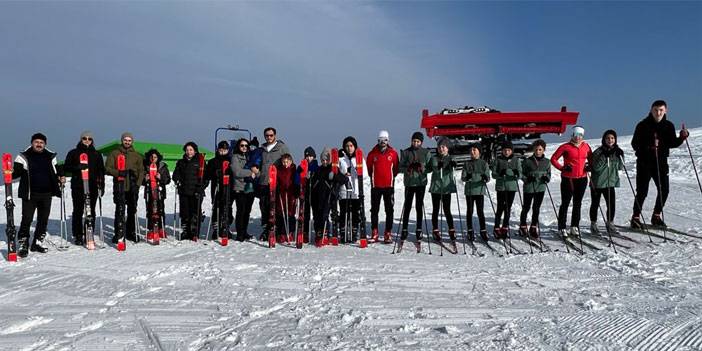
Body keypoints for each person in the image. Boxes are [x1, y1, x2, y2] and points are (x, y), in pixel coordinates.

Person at [630, 100, 689, 228]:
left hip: (661, 162)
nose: (658, 112)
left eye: (661, 110)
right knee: (642, 191)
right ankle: (635, 217)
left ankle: (656, 216)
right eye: (656, 110)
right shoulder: (642, 125)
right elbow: (634, 144)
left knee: (664, 190)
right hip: (644, 163)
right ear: (651, 110)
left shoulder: (669, 125)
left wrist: (682, 137)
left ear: (665, 110)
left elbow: (672, 143)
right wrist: (648, 147)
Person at [11, 133, 65, 257]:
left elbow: (58, 168)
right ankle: (23, 243)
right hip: (30, 194)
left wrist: (61, 176)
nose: (39, 144)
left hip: (46, 194)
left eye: (41, 142)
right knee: (27, 219)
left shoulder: (50, 155)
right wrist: (10, 173)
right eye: (36, 142)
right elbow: (17, 172)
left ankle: (37, 242)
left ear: (45, 144)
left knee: (43, 220)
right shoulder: (23, 156)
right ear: (32, 143)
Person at [63, 131, 105, 246]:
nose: (87, 140)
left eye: (89, 138)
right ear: (81, 139)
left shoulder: (96, 154)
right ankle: (77, 235)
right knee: (78, 210)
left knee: (90, 210)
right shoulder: (73, 152)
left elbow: (101, 171)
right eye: (84, 138)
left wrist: (102, 185)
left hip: (92, 186)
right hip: (78, 186)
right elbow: (66, 167)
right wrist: (77, 167)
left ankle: (88, 232)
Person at [550, 126, 592, 238]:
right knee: (565, 203)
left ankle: (574, 226)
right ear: (572, 135)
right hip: (568, 179)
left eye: (581, 135)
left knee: (578, 203)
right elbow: (553, 159)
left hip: (582, 179)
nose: (578, 138)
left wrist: (589, 166)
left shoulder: (586, 146)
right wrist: (562, 168)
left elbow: (591, 159)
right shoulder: (565, 147)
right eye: (576, 135)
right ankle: (562, 227)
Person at [105, 132, 144, 243]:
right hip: (119, 186)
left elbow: (141, 170)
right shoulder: (114, 153)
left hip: (132, 186)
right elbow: (107, 168)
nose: (127, 142)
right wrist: (118, 173)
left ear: (132, 142)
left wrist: (138, 184)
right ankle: (118, 233)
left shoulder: (137, 155)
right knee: (120, 210)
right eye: (125, 140)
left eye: (129, 140)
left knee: (132, 210)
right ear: (122, 140)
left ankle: (130, 232)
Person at [255, 127, 290, 240]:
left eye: (271, 135)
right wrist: (259, 173)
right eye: (267, 135)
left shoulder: (282, 147)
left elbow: (288, 161)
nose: (269, 137)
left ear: (275, 135)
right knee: (264, 206)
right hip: (264, 182)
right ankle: (267, 228)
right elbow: (257, 162)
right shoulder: (263, 148)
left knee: (276, 207)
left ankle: (278, 228)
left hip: (277, 182)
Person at [398, 131, 430, 251]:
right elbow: (400, 167)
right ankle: (405, 229)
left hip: (420, 183)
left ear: (421, 142)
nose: (415, 143)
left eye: (418, 141)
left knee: (418, 206)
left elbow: (430, 168)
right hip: (409, 183)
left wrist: (423, 168)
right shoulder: (406, 152)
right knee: (407, 206)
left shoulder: (425, 152)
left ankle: (419, 229)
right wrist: (408, 168)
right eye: (414, 141)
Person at [425, 137, 458, 251]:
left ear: (447, 148)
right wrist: (437, 167)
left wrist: (453, 165)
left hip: (446, 188)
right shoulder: (434, 158)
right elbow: (432, 168)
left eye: (443, 147)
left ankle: (451, 230)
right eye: (439, 147)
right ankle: (435, 230)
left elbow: (453, 167)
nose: (441, 149)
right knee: (435, 209)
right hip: (436, 188)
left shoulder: (450, 158)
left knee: (447, 210)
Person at [366, 130, 399, 243]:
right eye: (381, 140)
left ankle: (388, 233)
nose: (383, 142)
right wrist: (375, 178)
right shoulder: (372, 154)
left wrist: (390, 177)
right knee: (374, 210)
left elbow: (395, 169)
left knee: (389, 210)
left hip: (389, 186)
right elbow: (369, 169)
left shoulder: (393, 153)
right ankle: (374, 232)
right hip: (376, 186)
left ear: (388, 140)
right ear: (378, 140)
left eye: (385, 140)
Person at [588, 130, 623, 234]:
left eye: (612, 138)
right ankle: (593, 223)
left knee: (611, 204)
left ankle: (610, 223)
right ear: (604, 139)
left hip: (610, 182)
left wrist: (621, 156)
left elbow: (620, 167)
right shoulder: (598, 152)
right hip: (598, 182)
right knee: (595, 204)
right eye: (608, 138)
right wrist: (604, 156)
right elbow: (596, 167)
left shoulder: (617, 151)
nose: (610, 140)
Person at [310, 147, 346, 246]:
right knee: (317, 216)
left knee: (325, 215)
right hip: (318, 197)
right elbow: (314, 182)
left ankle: (326, 233)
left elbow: (344, 180)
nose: (324, 162)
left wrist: (335, 176)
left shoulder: (334, 169)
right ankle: (319, 233)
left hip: (330, 196)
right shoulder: (319, 170)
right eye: (323, 160)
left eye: (326, 160)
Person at [172, 142, 205, 241]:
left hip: (196, 191)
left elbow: (206, 177)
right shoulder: (181, 162)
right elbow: (175, 174)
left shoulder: (200, 162)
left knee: (195, 212)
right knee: (185, 212)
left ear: (195, 151)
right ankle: (185, 231)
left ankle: (194, 231)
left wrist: (202, 186)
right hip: (184, 191)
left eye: (191, 150)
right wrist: (176, 179)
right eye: (187, 150)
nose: (189, 152)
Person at [519, 139, 550, 239]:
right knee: (526, 207)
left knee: (536, 208)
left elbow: (549, 173)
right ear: (533, 150)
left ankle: (533, 227)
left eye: (540, 150)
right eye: (536, 149)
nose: (538, 151)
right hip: (529, 187)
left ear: (543, 150)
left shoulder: (547, 162)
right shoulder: (527, 161)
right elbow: (521, 173)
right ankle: (523, 226)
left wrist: (547, 178)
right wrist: (526, 178)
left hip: (540, 187)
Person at [490, 141, 520, 239]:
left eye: (508, 150)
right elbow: (493, 174)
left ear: (512, 151)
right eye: (505, 150)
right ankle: (496, 227)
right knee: (500, 208)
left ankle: (505, 227)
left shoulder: (516, 160)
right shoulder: (498, 160)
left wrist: (515, 173)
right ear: (502, 151)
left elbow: (520, 173)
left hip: (511, 187)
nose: (506, 152)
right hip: (501, 187)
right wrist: (500, 174)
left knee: (507, 208)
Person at [461, 143, 491, 242]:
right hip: (469, 191)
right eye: (471, 150)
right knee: (470, 211)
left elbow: (488, 177)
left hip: (479, 191)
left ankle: (483, 230)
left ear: (479, 151)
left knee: (480, 211)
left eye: (475, 150)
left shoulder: (483, 163)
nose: (472, 152)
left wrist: (485, 178)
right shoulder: (467, 163)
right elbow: (463, 177)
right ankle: (470, 231)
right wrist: (467, 177)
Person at [205, 141, 234, 239]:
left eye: (224, 150)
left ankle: (225, 227)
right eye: (221, 150)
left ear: (228, 150)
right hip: (217, 187)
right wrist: (214, 174)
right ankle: (216, 228)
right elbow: (207, 175)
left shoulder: (231, 161)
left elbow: (234, 174)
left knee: (227, 207)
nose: (222, 152)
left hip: (228, 187)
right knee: (216, 207)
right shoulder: (213, 161)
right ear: (218, 150)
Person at [231, 138, 258, 241]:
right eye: (242, 145)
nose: (244, 147)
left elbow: (256, 169)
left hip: (250, 188)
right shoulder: (235, 157)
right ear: (238, 146)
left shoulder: (249, 156)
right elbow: (237, 172)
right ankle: (240, 233)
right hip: (240, 188)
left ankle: (244, 231)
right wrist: (250, 173)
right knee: (241, 211)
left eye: (246, 146)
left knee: (247, 211)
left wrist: (256, 172)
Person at [338, 136, 364, 243]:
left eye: (351, 146)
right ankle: (343, 232)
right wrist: (343, 175)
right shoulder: (340, 159)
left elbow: (365, 174)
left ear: (355, 147)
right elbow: (336, 173)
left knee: (354, 213)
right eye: (347, 146)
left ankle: (354, 232)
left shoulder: (359, 158)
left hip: (355, 191)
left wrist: (357, 173)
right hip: (344, 190)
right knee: (344, 212)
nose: (349, 148)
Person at [142, 148, 171, 236]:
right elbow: (139, 179)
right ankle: (151, 229)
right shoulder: (145, 166)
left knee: (160, 209)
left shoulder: (162, 166)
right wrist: (144, 179)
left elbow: (168, 179)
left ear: (158, 157)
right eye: (151, 157)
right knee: (150, 210)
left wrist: (161, 177)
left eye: (155, 157)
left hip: (159, 191)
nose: (153, 158)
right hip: (149, 191)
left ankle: (161, 228)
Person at [274, 154, 299, 243]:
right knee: (281, 214)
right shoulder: (279, 170)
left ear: (291, 161)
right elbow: (276, 180)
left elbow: (296, 180)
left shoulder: (293, 169)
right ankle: (282, 233)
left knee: (290, 214)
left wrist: (297, 189)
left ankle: (290, 232)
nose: (285, 164)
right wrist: (276, 186)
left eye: (287, 162)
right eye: (283, 162)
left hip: (290, 194)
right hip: (281, 194)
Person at [300, 147, 319, 242]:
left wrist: (310, 173)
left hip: (315, 194)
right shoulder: (302, 165)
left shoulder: (316, 166)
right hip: (306, 193)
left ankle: (317, 232)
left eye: (310, 156)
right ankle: (305, 232)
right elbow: (297, 176)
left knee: (316, 214)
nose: (308, 158)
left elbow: (319, 176)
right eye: (307, 156)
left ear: (314, 156)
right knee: (305, 214)